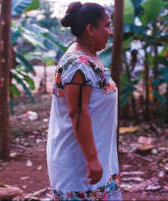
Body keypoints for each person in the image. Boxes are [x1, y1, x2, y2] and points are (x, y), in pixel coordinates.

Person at [47, 2, 122, 200]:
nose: (110, 32)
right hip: (79, 163)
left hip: (94, 157)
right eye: (106, 25)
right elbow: (77, 112)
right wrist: (92, 159)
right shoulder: (77, 64)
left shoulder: (90, 58)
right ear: (90, 29)